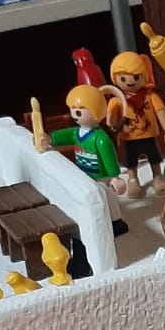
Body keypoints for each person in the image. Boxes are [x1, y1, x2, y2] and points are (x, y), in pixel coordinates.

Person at [39, 87, 127, 237]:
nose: (75, 114)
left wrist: (115, 177)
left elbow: (109, 158)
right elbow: (65, 135)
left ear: (96, 111)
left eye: (80, 110)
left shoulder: (100, 138)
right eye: (73, 109)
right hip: (84, 175)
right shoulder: (77, 133)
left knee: (108, 198)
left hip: (101, 178)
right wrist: (50, 138)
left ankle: (116, 222)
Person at [108, 50, 165, 198]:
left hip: (149, 135)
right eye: (123, 78)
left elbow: (160, 111)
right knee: (131, 162)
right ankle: (133, 181)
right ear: (115, 78)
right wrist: (112, 116)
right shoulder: (117, 100)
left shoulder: (150, 96)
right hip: (129, 137)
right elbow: (110, 121)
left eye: (136, 77)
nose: (129, 82)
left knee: (154, 157)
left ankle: (158, 177)